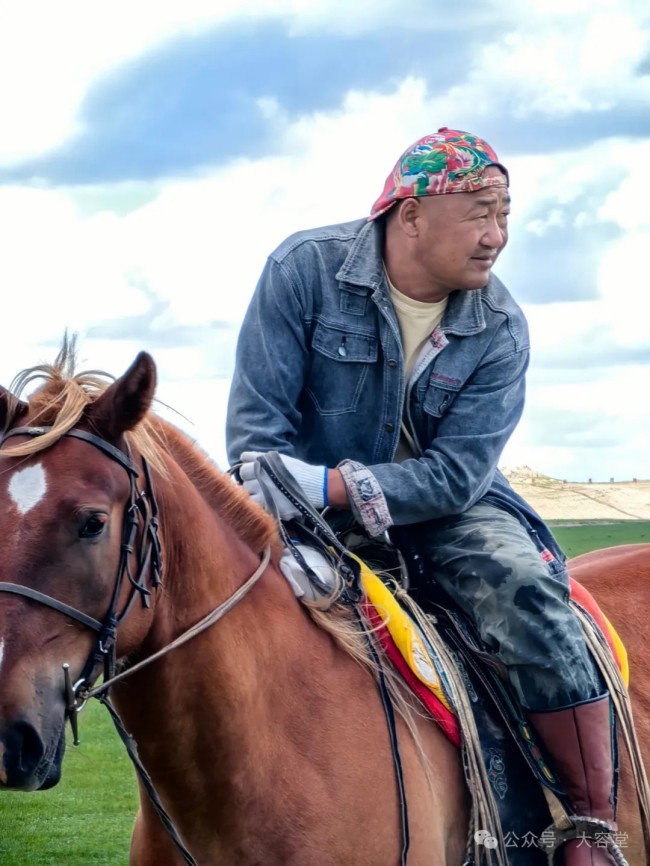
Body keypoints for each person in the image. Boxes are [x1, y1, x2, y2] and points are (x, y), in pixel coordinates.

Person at [226, 128, 617, 865]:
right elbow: (256, 437)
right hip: (298, 509)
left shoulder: (500, 327)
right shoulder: (302, 271)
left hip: (451, 513)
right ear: (410, 214)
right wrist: (290, 500)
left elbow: (458, 475)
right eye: (479, 212)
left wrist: (340, 485)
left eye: (504, 213)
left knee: (528, 590)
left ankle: (591, 829)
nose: (497, 236)